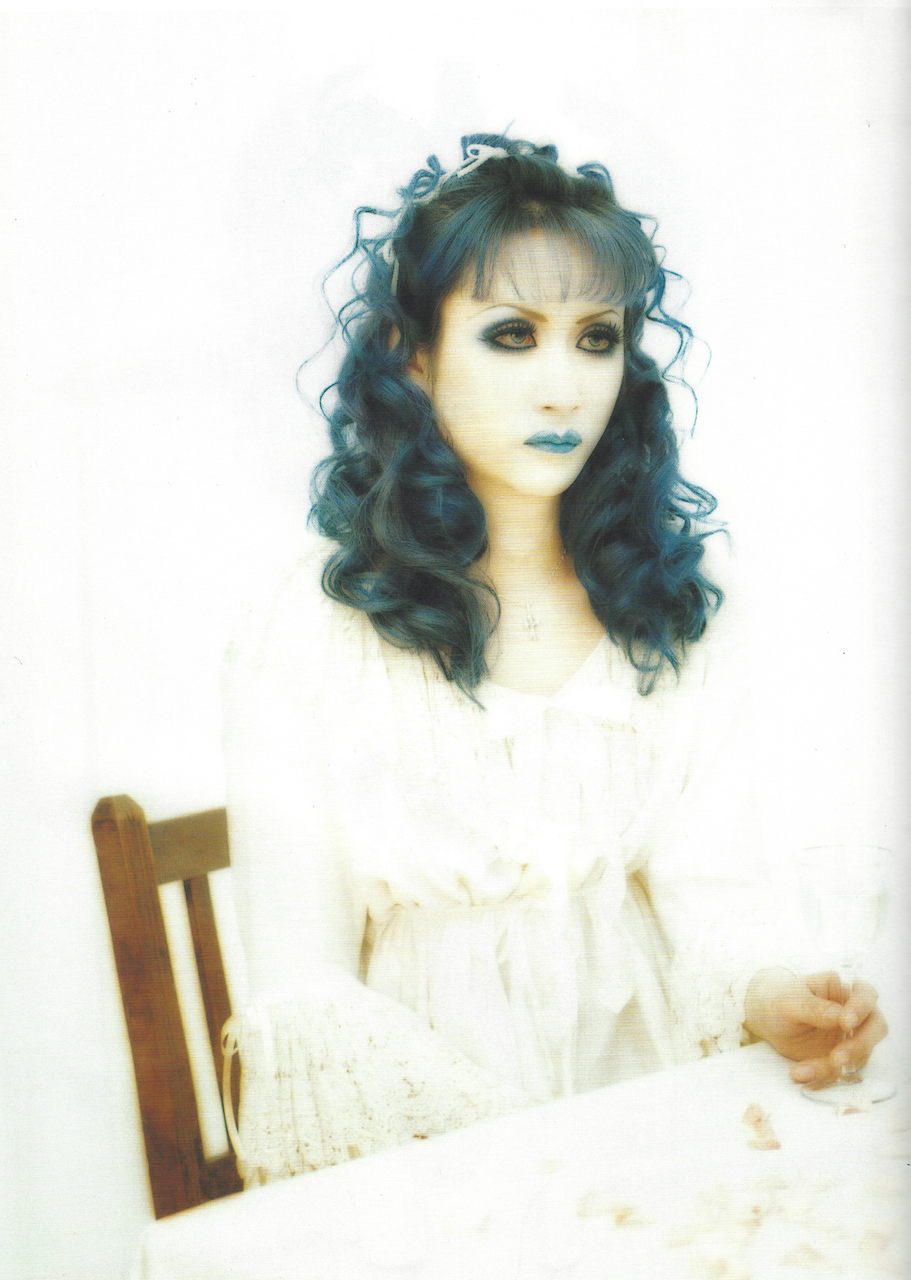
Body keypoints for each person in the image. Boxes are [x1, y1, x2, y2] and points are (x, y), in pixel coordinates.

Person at [220, 134, 887, 1187]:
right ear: (411, 354)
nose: (564, 387)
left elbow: (708, 892)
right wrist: (529, 1159)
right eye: (511, 335)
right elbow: (303, 989)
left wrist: (768, 993)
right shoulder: (309, 627)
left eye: (595, 338)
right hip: (433, 1158)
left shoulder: (670, 602)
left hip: (658, 1120)